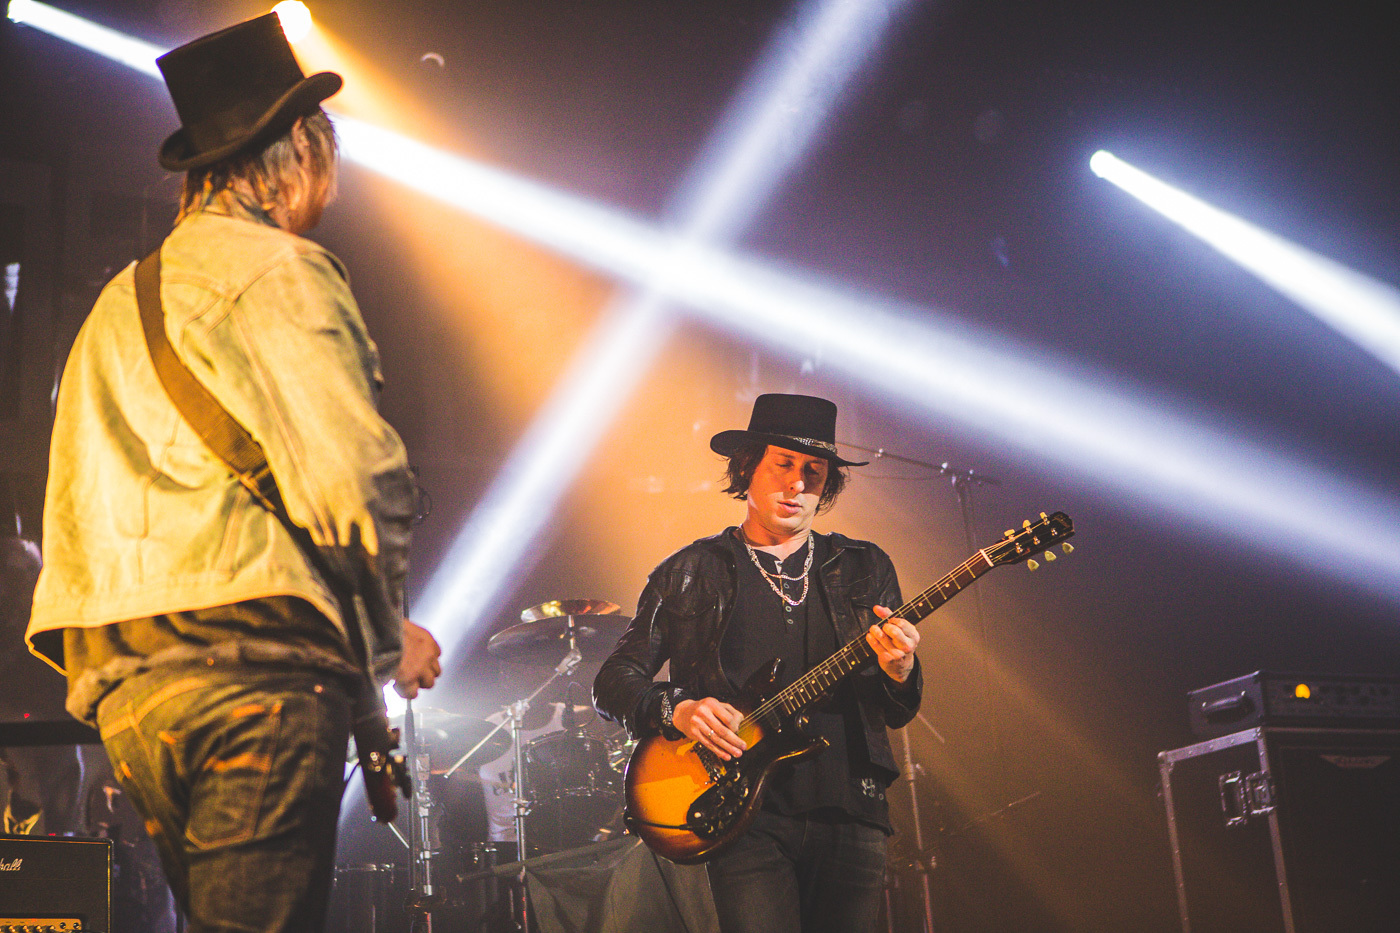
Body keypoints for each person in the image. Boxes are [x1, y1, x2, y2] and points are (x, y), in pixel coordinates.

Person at [23, 14, 441, 932]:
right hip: (251, 675)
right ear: (297, 148)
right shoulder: (281, 269)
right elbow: (359, 480)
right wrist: (383, 641)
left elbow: (70, 506)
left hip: (131, 690)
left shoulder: (114, 305)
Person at [594, 393, 922, 933]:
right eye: (783, 465)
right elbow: (613, 680)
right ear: (747, 469)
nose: (797, 484)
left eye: (813, 472)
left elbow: (898, 707)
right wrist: (678, 708)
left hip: (851, 805)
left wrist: (900, 669)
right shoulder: (689, 570)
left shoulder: (865, 566)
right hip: (743, 814)